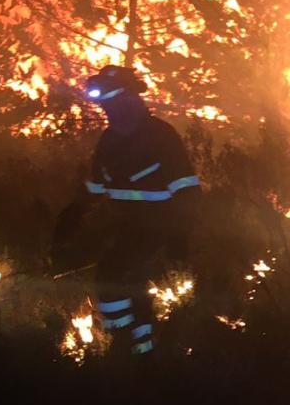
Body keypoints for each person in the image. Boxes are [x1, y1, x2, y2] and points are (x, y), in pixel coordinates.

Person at [52, 66, 201, 357]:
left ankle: (130, 346)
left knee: (115, 275)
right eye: (105, 105)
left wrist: (180, 236)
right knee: (123, 280)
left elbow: (187, 188)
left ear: (129, 100)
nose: (109, 110)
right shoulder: (110, 140)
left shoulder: (160, 135)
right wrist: (73, 214)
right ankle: (135, 346)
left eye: (113, 102)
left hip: (159, 225)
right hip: (128, 225)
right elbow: (96, 186)